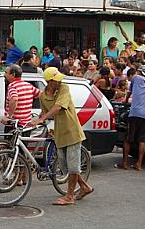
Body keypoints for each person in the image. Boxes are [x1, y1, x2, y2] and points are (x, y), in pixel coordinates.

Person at [28, 67, 93, 205]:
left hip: (72, 131)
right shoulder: (42, 96)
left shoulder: (64, 88)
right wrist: (35, 121)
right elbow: (45, 113)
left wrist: (42, 118)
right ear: (49, 82)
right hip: (59, 133)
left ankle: (69, 197)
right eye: (56, 80)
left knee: (73, 167)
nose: (59, 81)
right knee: (66, 167)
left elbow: (58, 107)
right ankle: (85, 187)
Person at [116, 65, 145, 171]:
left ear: (140, 72)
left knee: (128, 139)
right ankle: (139, 164)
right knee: (141, 140)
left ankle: (124, 163)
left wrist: (126, 100)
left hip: (135, 112)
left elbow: (129, 92)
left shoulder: (136, 78)